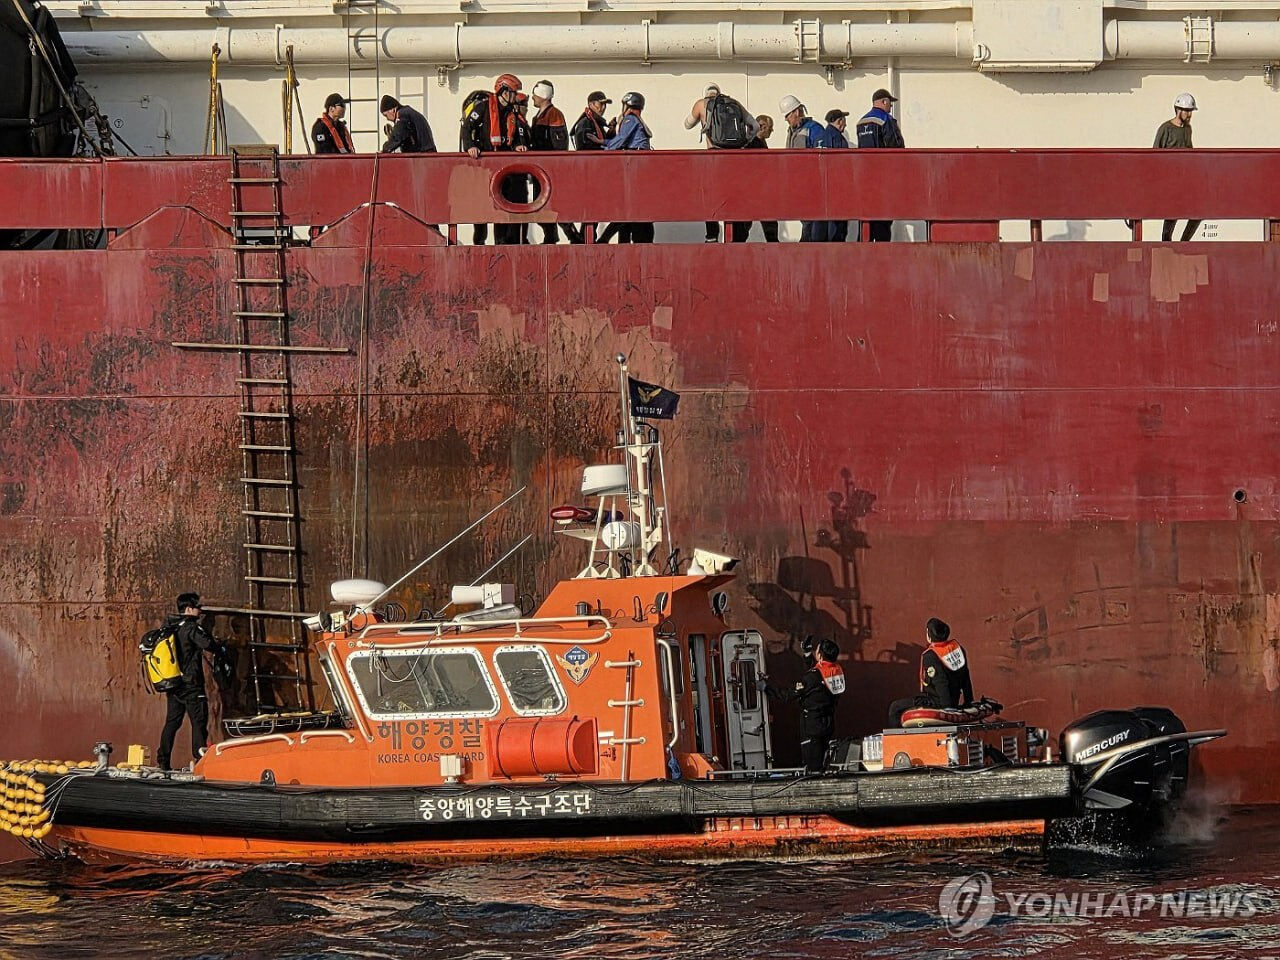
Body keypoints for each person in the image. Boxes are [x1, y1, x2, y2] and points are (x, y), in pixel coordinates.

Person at [461, 74, 531, 245]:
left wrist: (518, 146)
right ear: (504, 92)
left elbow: (517, 135)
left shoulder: (512, 112)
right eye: (514, 92)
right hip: (485, 165)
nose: (515, 96)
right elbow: (467, 127)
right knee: (482, 206)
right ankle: (479, 242)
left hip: (505, 167)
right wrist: (470, 146)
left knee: (504, 204)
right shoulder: (483, 107)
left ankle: (502, 242)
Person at [687, 84, 759, 243]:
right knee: (735, 197)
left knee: (711, 196)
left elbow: (687, 124)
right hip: (734, 158)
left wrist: (702, 121)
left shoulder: (701, 104)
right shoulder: (734, 103)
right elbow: (755, 126)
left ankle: (712, 236)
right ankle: (738, 236)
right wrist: (745, 142)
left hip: (713, 156)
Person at [765, 638, 846, 772]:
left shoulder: (812, 678)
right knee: (824, 761)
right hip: (827, 723)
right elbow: (819, 675)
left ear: (820, 655)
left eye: (816, 650)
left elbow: (788, 695)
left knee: (813, 765)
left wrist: (766, 688)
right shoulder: (836, 671)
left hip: (812, 727)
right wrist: (808, 654)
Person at [156, 592, 216, 771]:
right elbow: (208, 645)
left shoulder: (170, 625)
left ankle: (163, 761)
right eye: (198, 607)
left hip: (173, 683)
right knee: (198, 722)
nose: (200, 610)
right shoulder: (190, 627)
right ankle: (200, 761)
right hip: (191, 684)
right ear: (189, 609)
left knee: (172, 723)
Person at [887, 617, 974, 727]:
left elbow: (941, 682)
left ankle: (898, 737)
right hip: (953, 700)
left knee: (895, 707)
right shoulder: (958, 650)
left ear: (930, 634)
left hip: (937, 702)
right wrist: (969, 701)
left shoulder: (931, 655)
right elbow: (965, 678)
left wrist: (947, 708)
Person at [529, 80, 579, 244]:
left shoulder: (554, 115)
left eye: (535, 95)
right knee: (542, 205)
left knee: (555, 205)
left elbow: (559, 144)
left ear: (542, 95)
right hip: (540, 169)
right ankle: (551, 236)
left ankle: (572, 237)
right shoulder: (540, 116)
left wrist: (556, 166)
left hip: (549, 169)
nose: (532, 98)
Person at [604, 91, 655, 243]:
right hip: (641, 165)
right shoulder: (637, 119)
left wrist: (604, 149)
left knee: (627, 204)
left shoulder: (630, 119)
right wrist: (603, 141)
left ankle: (604, 239)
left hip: (633, 165)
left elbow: (621, 140)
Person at [856, 88, 905, 242]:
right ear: (884, 101)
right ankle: (882, 250)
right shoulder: (886, 119)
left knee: (866, 218)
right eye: (890, 103)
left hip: (865, 178)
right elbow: (896, 146)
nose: (891, 106)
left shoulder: (861, 122)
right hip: (883, 178)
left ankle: (863, 249)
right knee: (883, 218)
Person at [571, 92, 619, 242]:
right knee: (593, 210)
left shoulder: (593, 122)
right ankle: (586, 239)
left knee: (594, 211)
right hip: (591, 173)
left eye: (604, 104)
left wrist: (610, 132)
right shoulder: (586, 123)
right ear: (591, 104)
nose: (603, 107)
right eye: (600, 103)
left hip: (595, 173)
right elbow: (587, 147)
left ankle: (585, 239)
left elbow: (598, 143)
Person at [1154, 93, 1201, 242]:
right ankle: (1166, 243)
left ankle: (1184, 243)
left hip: (1185, 179)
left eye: (1191, 111)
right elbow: (1154, 154)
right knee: (1172, 214)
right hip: (1169, 181)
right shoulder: (1165, 128)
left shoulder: (1188, 129)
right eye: (1187, 111)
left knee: (1198, 212)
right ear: (1178, 110)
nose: (1189, 115)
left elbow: (1190, 151)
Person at [779, 95, 827, 242]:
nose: (786, 120)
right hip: (798, 184)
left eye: (787, 116)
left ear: (796, 112)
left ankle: (809, 244)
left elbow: (822, 157)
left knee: (812, 219)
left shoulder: (814, 129)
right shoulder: (792, 132)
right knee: (805, 217)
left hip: (811, 183)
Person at [743, 115, 779, 243]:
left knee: (766, 225)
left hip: (758, 191)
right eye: (770, 127)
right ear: (762, 127)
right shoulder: (753, 144)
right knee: (765, 224)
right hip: (756, 191)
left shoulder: (755, 142)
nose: (772, 130)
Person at [821, 109, 851, 242]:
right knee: (838, 227)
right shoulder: (838, 138)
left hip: (824, 188)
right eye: (844, 121)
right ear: (839, 121)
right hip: (838, 188)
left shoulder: (822, 136)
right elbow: (843, 164)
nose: (845, 125)